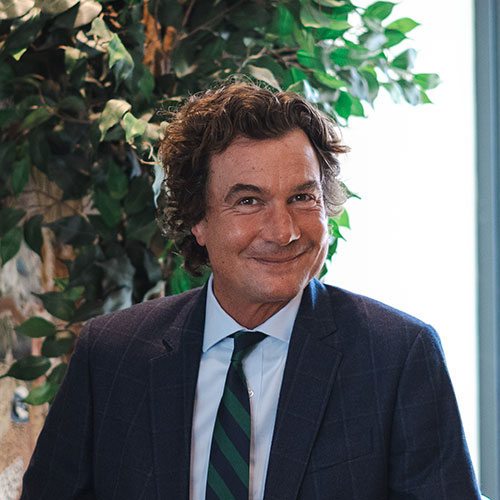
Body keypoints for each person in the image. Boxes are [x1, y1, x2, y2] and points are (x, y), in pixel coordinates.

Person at [21, 82, 482, 499]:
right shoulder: (111, 355)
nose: (283, 232)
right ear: (198, 220)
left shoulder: (398, 356)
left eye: (302, 197)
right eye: (248, 201)